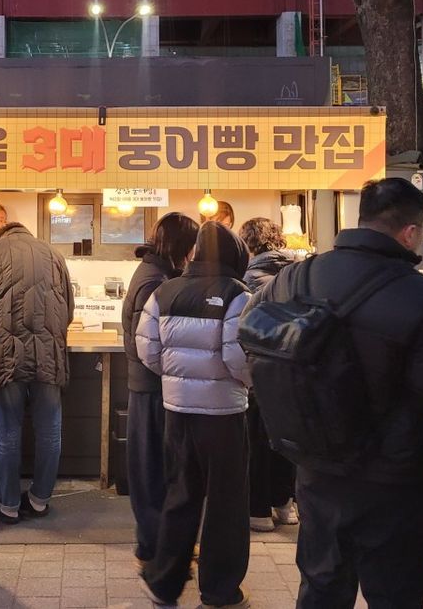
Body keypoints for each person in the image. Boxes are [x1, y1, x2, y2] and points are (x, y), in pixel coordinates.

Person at [249, 177, 423, 609]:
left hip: (316, 469)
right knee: (398, 596)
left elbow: (249, 339)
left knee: (321, 589)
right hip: (396, 484)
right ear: (410, 232)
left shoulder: (295, 277)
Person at [136, 222, 253, 609]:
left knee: (181, 494)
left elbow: (148, 349)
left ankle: (163, 583)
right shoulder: (238, 294)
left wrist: (176, 379)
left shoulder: (165, 291)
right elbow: (238, 357)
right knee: (226, 503)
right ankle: (220, 591)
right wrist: (247, 383)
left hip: (177, 412)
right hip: (223, 414)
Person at [0, 221, 75, 524]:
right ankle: (39, 500)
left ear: (1, 234)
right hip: (48, 355)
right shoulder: (54, 253)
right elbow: (69, 310)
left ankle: (8, 505)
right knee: (50, 431)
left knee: (7, 431)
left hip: (7, 355)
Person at [122, 212, 199, 570]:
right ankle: (155, 551)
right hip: (152, 388)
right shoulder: (156, 279)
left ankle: (157, 545)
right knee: (154, 471)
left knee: (154, 469)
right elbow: (147, 345)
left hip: (149, 387)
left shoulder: (156, 272)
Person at [236, 217, 299, 532]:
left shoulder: (248, 278)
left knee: (258, 439)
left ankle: (259, 510)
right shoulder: (298, 272)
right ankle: (285, 504)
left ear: (247, 243)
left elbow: (243, 326)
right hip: (294, 367)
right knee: (287, 437)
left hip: (261, 367)